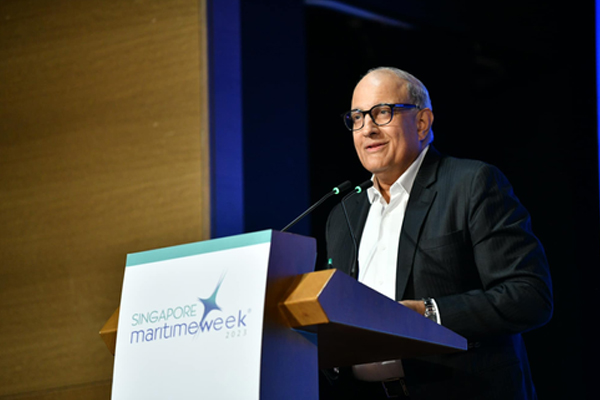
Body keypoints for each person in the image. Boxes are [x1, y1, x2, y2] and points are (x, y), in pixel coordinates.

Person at [323, 67, 553, 399]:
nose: (367, 128)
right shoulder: (343, 213)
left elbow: (529, 296)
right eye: (357, 117)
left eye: (382, 112)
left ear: (422, 122)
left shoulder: (471, 184)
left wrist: (428, 314)